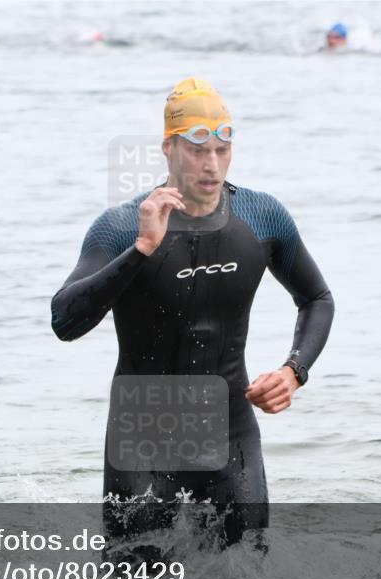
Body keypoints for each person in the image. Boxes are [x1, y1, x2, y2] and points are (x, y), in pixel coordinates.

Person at [50, 77, 334, 551]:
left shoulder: (262, 218)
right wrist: (143, 248)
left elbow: (317, 298)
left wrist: (294, 371)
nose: (212, 165)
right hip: (141, 440)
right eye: (198, 150)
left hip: (231, 433)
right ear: (168, 148)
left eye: (223, 150)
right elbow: (65, 321)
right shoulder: (121, 226)